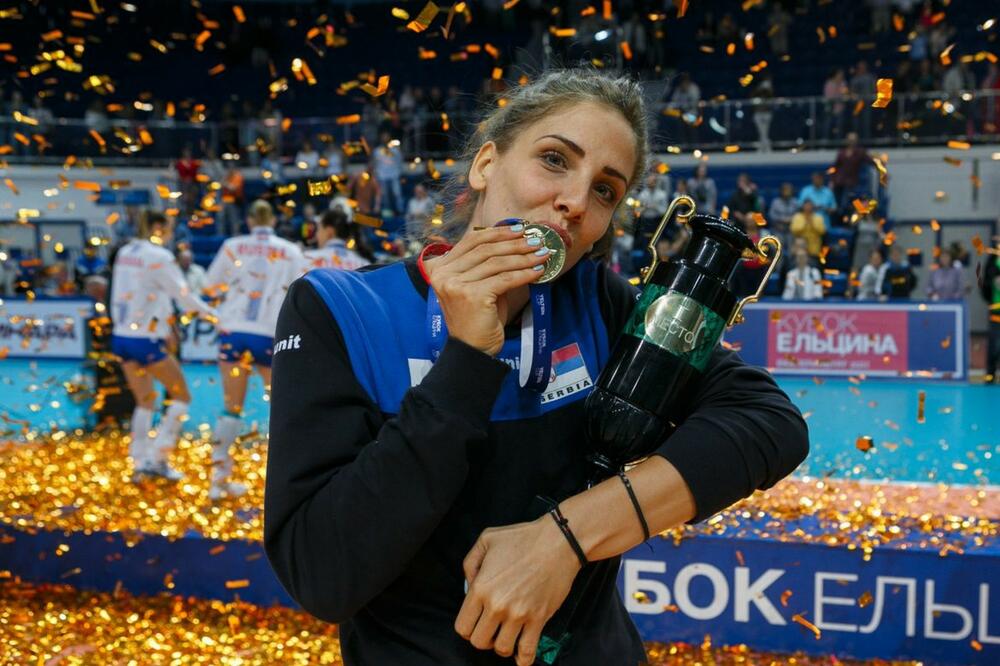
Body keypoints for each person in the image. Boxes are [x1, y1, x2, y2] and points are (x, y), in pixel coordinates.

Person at [264, 69, 808, 666]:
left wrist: (567, 536)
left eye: (605, 191)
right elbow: (321, 575)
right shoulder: (341, 310)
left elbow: (770, 422)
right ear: (485, 165)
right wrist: (466, 361)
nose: (575, 202)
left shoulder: (599, 304)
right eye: (554, 160)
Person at [204, 199, 306, 499]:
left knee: (231, 408)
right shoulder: (290, 250)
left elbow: (209, 286)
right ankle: (282, 486)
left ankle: (218, 483)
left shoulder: (233, 246)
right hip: (268, 334)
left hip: (233, 331)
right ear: (272, 220)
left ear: (249, 221)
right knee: (281, 409)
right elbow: (301, 291)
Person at [109, 210, 218, 480]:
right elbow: (184, 297)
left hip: (121, 336)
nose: (170, 234)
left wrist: (166, 325)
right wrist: (215, 316)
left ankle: (139, 463)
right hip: (146, 340)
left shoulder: (126, 251)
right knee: (182, 397)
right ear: (158, 227)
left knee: (145, 401)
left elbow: (144, 292)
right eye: (168, 228)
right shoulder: (159, 256)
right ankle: (159, 458)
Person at [305, 209, 371, 271]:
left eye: (319, 229)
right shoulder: (364, 264)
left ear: (329, 231)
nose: (317, 235)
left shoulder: (307, 259)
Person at [981, 252, 1000, 384]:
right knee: (994, 344)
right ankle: (990, 374)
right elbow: (986, 282)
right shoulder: (992, 259)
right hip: (996, 310)